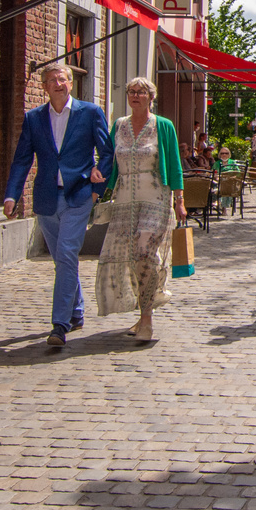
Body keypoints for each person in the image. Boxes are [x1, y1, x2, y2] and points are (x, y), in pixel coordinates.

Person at [3, 64, 115, 348]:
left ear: (71, 83)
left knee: (66, 254)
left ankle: (59, 325)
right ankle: (76, 311)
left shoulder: (89, 112)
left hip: (78, 195)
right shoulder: (34, 118)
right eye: (51, 80)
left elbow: (107, 152)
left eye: (62, 79)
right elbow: (21, 160)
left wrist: (96, 189)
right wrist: (11, 195)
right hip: (46, 199)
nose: (58, 83)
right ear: (44, 87)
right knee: (62, 260)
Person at [93, 76, 185, 344]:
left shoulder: (163, 126)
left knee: (145, 251)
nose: (135, 95)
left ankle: (147, 318)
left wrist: (179, 199)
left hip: (156, 198)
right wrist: (98, 182)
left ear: (150, 97)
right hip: (124, 201)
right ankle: (146, 303)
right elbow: (109, 159)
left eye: (141, 92)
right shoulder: (119, 125)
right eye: (131, 91)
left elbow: (175, 164)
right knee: (133, 258)